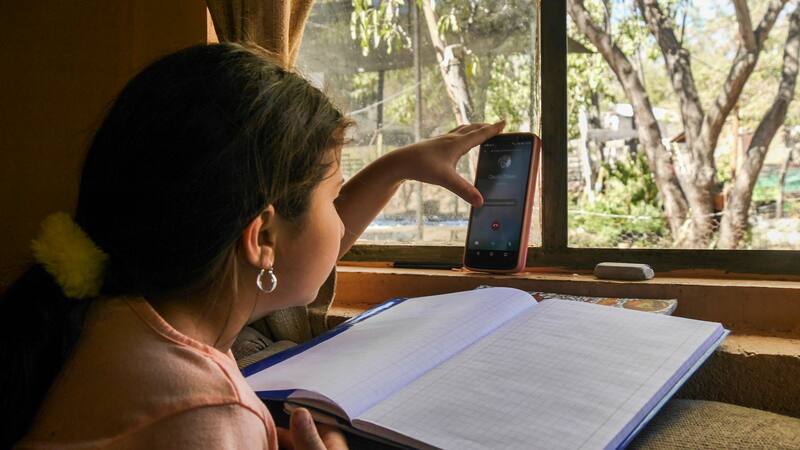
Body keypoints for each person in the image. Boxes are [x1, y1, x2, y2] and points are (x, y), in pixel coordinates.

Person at [0, 42, 505, 449]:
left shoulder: (111, 314)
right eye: (333, 199)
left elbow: (299, 249)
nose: (339, 222)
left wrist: (397, 167)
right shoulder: (209, 412)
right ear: (261, 237)